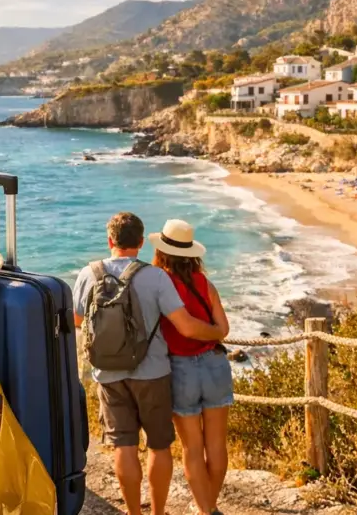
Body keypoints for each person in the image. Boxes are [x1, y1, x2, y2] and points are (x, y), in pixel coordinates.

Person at [73, 212, 227, 515]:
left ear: (109, 240)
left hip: (108, 374)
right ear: (141, 243)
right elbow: (184, 325)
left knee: (124, 447)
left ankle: (134, 512)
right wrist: (218, 333)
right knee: (159, 445)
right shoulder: (155, 277)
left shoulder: (88, 273)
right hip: (153, 371)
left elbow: (76, 320)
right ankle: (158, 512)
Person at [151, 219, 232, 515]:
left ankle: (207, 510)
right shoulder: (205, 284)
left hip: (180, 369)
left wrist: (192, 332)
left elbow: (181, 329)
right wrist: (209, 335)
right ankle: (208, 508)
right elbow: (223, 328)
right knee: (217, 445)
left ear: (162, 251)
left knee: (192, 449)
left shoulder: (159, 283)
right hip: (215, 365)